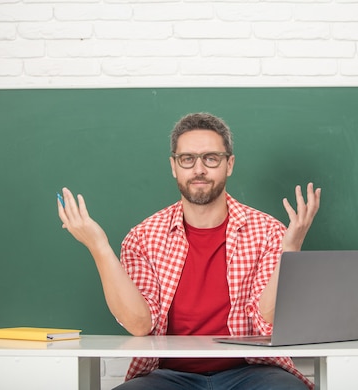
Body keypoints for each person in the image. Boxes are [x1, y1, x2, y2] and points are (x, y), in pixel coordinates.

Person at [57, 112, 321, 390]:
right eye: (187, 159)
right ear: (174, 166)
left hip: (252, 372)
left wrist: (290, 250)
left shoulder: (269, 232)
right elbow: (139, 325)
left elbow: (267, 322)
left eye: (211, 158)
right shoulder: (142, 237)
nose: (199, 170)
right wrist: (99, 247)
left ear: (229, 164)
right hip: (168, 376)